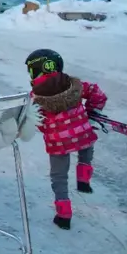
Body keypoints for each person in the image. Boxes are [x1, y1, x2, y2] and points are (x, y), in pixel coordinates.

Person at [25, 49, 108, 230]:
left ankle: (64, 215)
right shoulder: (74, 85)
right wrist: (92, 112)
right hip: (81, 133)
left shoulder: (34, 98)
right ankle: (83, 180)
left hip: (58, 143)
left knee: (59, 176)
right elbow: (97, 93)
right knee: (87, 143)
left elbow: (36, 119)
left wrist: (47, 128)